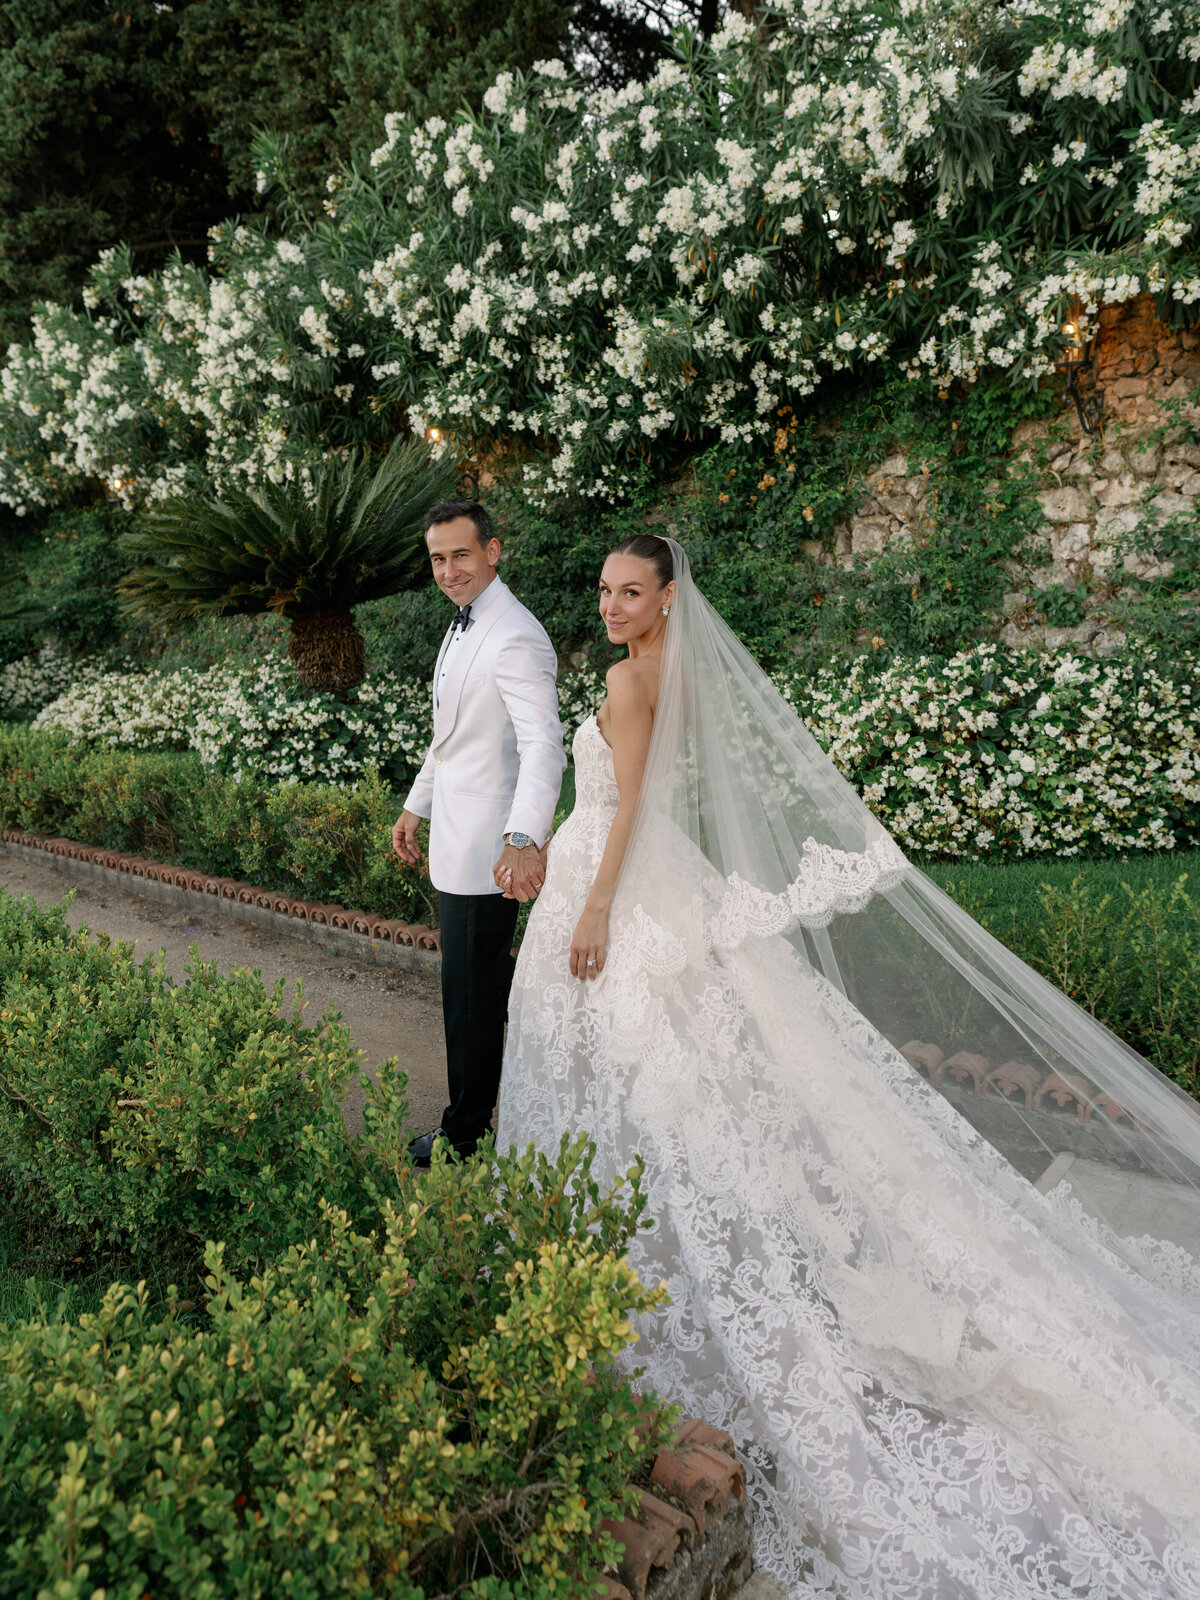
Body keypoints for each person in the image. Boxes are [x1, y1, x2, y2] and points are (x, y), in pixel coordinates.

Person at [497, 532, 1200, 1599]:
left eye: (629, 591)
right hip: (621, 876)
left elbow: (631, 806)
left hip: (614, 881)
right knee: (652, 1078)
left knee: (646, 1078)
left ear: (667, 597)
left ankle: (632, 1252)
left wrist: (593, 906)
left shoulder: (632, 680)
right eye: (603, 590)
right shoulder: (657, 667)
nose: (610, 605)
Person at [394, 499, 565, 1166]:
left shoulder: (515, 634)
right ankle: (484, 1118)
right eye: (437, 558)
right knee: (472, 993)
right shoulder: (465, 624)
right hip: (454, 842)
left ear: (493, 551)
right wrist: (417, 807)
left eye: (460, 554)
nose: (447, 570)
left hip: (490, 854)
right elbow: (451, 739)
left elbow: (543, 745)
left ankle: (464, 1135)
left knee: (472, 1001)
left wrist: (522, 839)